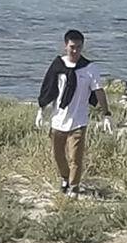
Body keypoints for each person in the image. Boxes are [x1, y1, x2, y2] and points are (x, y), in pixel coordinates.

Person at [36, 29, 114, 197]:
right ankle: (65, 178)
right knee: (58, 155)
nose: (75, 51)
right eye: (72, 47)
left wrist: (106, 114)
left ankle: (74, 187)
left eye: (78, 47)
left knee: (75, 157)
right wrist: (41, 109)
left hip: (78, 121)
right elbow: (48, 87)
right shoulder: (58, 65)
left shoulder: (89, 68)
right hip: (58, 119)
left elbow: (99, 91)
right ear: (66, 46)